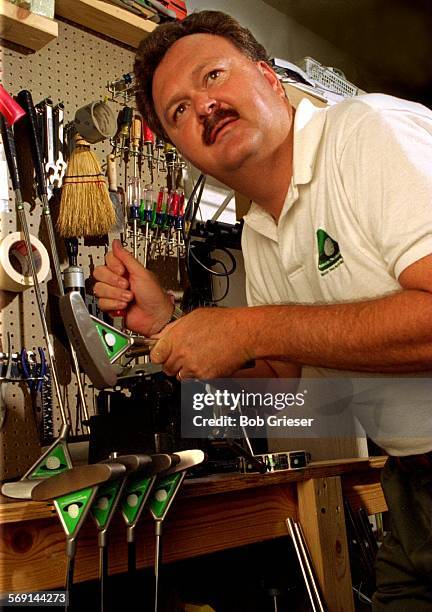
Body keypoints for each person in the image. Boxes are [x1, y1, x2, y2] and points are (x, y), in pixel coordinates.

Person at [93, 11, 432, 610]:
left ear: (271, 78)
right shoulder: (259, 233)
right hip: (411, 482)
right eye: (178, 110)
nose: (204, 106)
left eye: (214, 75)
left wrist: (247, 327)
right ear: (182, 152)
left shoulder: (367, 132)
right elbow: (294, 399)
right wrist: (168, 332)